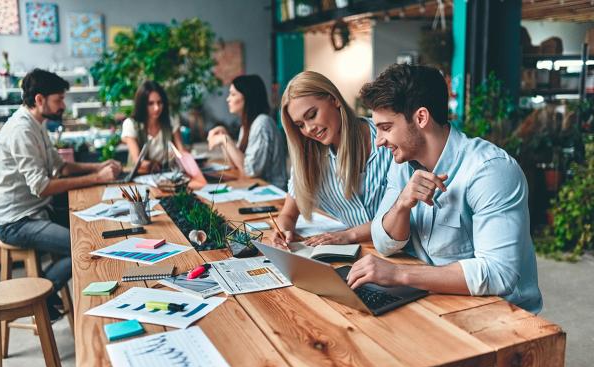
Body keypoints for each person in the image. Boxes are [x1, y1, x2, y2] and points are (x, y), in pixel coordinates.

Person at [347, 64, 542, 314]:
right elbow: (385, 244)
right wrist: (402, 205)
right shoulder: (402, 163)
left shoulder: (490, 171)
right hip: (433, 301)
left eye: (386, 128)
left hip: (501, 315)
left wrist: (400, 274)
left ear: (421, 118)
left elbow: (499, 273)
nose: (379, 141)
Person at [0, 68, 122, 319]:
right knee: (86, 247)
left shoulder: (37, 124)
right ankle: (44, 295)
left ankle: (50, 291)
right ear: (39, 100)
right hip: (16, 221)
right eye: (59, 99)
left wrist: (100, 166)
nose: (63, 105)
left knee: (93, 230)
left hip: (37, 212)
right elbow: (41, 187)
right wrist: (97, 178)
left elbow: (61, 167)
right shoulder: (21, 130)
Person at [270, 71, 393, 248]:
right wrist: (282, 231)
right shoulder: (307, 157)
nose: (308, 129)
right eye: (300, 125)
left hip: (404, 253)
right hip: (361, 253)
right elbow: (287, 215)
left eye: (311, 115)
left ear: (334, 99)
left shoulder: (387, 137)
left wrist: (349, 235)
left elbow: (408, 213)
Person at [207, 75, 287, 190]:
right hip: (255, 189)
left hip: (272, 193)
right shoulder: (246, 125)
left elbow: (250, 172)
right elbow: (234, 165)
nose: (228, 99)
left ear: (248, 97)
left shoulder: (262, 123)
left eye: (233, 94)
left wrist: (225, 140)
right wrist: (224, 138)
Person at [121, 80, 186, 174]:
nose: (157, 108)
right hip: (139, 178)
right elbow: (137, 161)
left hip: (167, 175)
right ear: (142, 105)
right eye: (150, 103)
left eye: (159, 102)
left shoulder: (170, 121)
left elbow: (181, 152)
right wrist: (152, 165)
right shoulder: (131, 124)